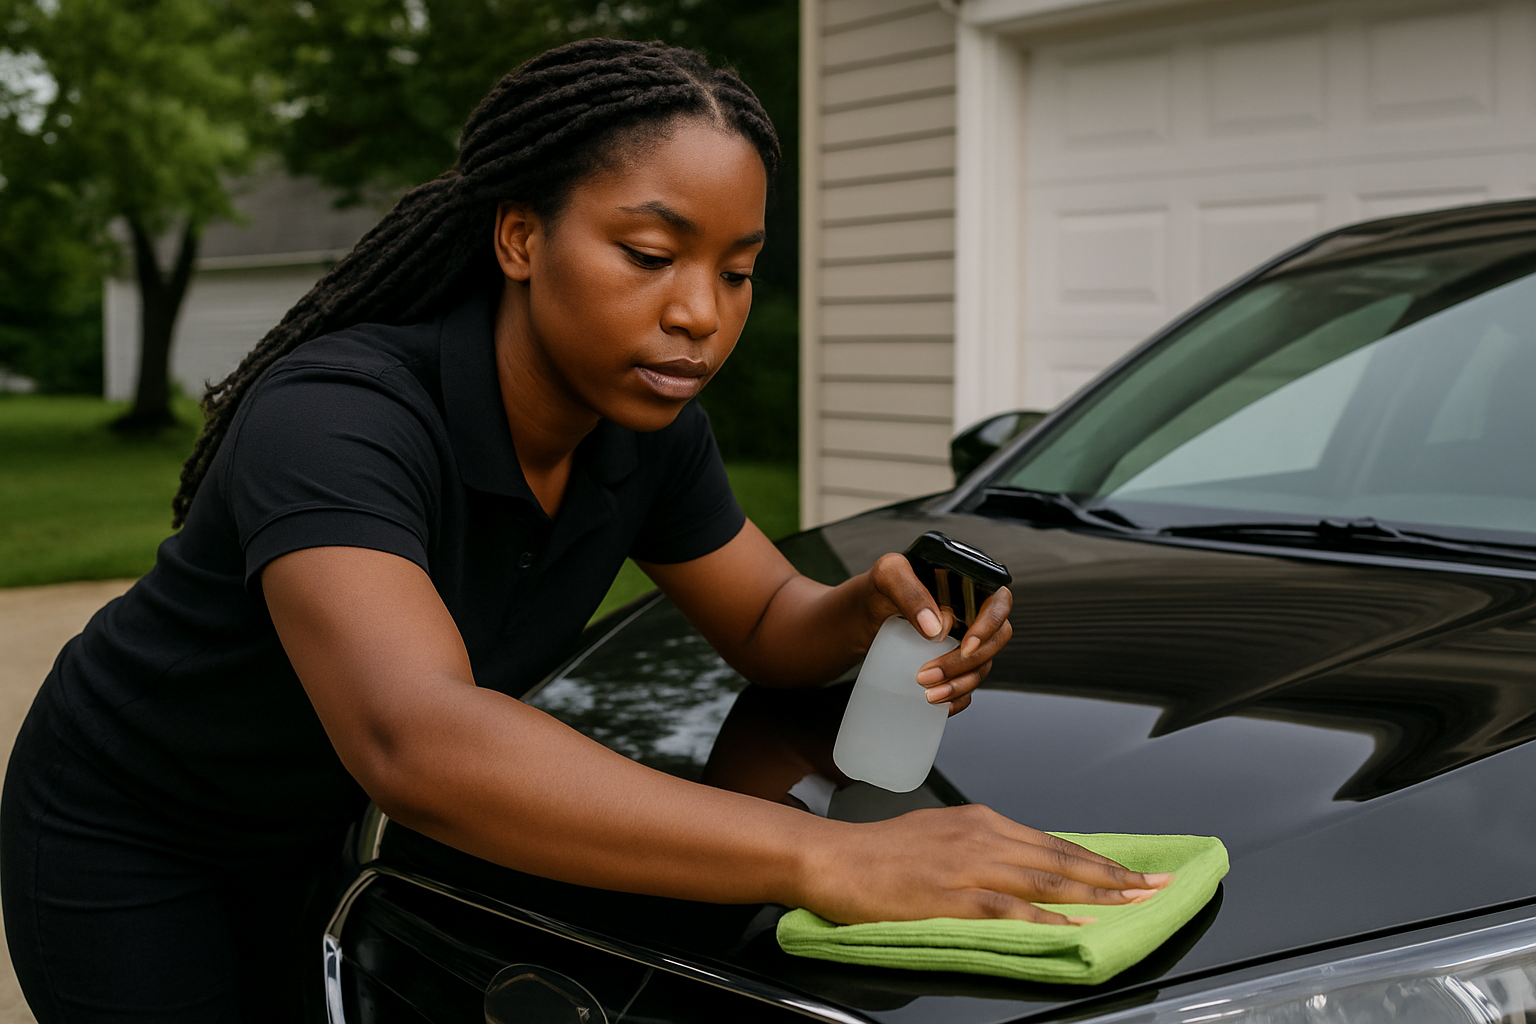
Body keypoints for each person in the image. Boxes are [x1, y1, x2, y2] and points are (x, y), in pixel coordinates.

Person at [0, 38, 1170, 1023]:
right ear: (520, 238)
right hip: (139, 832)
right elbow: (419, 739)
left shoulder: (648, 428)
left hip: (330, 830)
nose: (701, 315)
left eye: (740, 270)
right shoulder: (338, 415)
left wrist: (868, 608)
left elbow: (766, 623)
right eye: (651, 256)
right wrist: (838, 856)